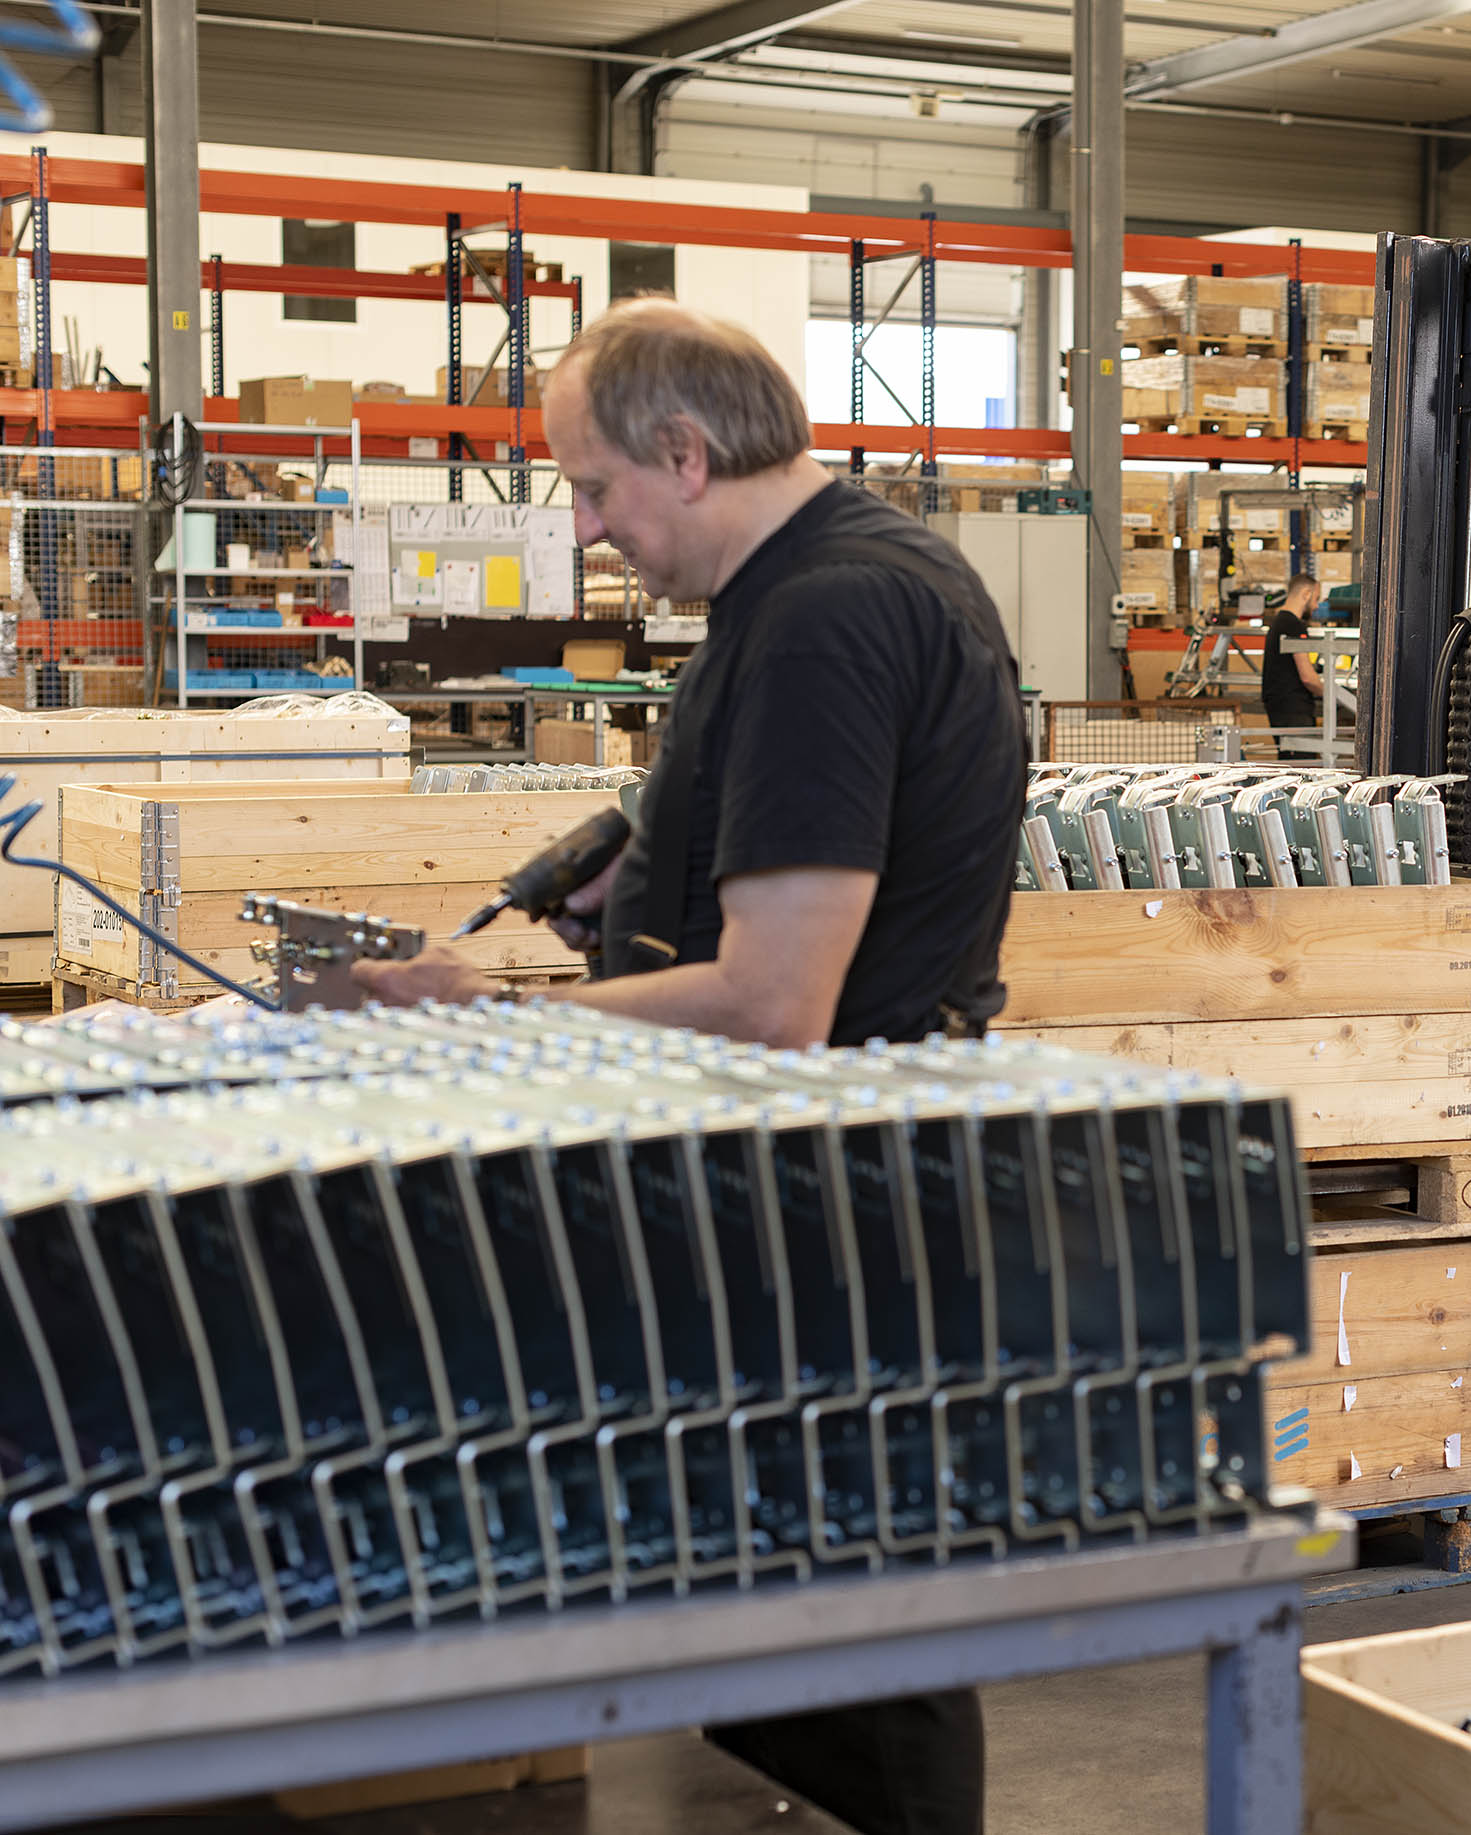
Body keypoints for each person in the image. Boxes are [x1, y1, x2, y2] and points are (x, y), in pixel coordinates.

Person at [355, 297, 1022, 1835]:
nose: (591, 532)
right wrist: (635, 891)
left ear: (685, 447)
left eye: (596, 489)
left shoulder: (826, 617)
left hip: (826, 1216)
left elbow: (781, 997)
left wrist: (487, 1016)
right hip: (809, 1201)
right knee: (783, 1622)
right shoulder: (849, 574)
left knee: (852, 1642)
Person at [1259, 573, 1325, 734]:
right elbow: (1308, 677)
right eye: (1316, 599)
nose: (1316, 606)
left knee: (1289, 758)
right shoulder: (1293, 626)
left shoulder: (1279, 622)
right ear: (1306, 594)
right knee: (1301, 758)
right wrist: (1333, 695)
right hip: (1294, 711)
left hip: (1281, 709)